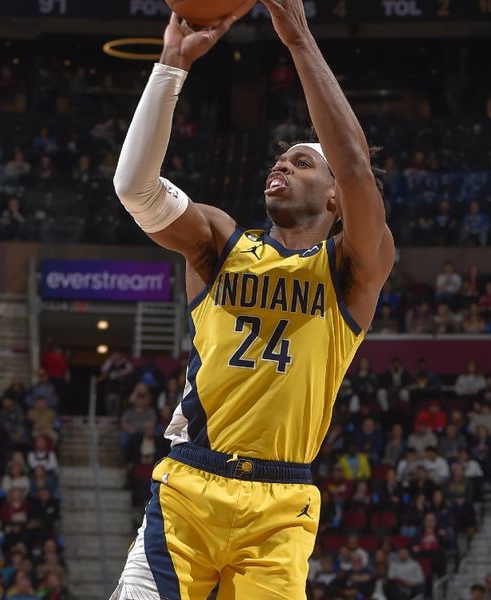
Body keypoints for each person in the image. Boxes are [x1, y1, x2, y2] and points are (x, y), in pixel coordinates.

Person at [108, 3, 395, 598]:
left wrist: (297, 37)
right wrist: (170, 66)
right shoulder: (219, 242)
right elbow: (134, 188)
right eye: (279, 157)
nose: (281, 164)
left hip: (281, 506)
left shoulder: (351, 269)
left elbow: (358, 169)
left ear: (337, 197)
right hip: (189, 488)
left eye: (301, 161)